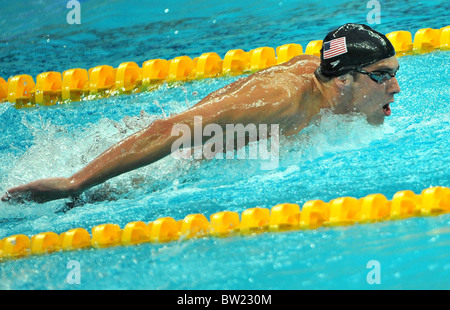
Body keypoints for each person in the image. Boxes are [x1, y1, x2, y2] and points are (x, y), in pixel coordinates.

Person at [1, 23, 400, 203]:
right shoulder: (280, 101)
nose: (395, 88)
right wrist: (74, 182)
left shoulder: (331, 81)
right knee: (75, 201)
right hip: (156, 161)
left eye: (395, 75)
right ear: (345, 80)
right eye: (383, 76)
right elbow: (167, 131)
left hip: (188, 137)